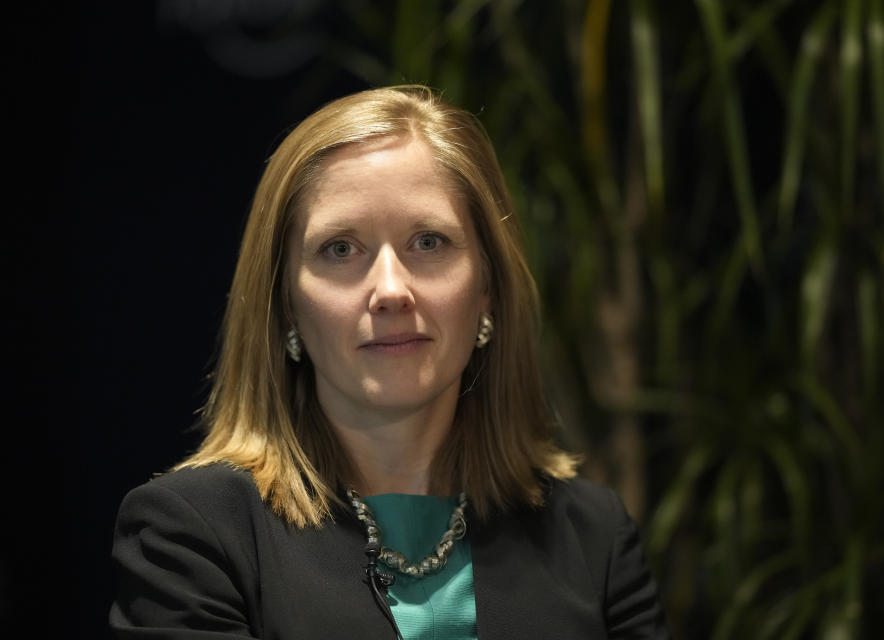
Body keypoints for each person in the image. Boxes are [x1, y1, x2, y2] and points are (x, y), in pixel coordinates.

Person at [110, 85, 670, 639]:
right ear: (285, 305)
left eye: (428, 242)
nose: (391, 289)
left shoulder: (594, 537)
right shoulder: (191, 536)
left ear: (488, 289)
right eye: (340, 249)